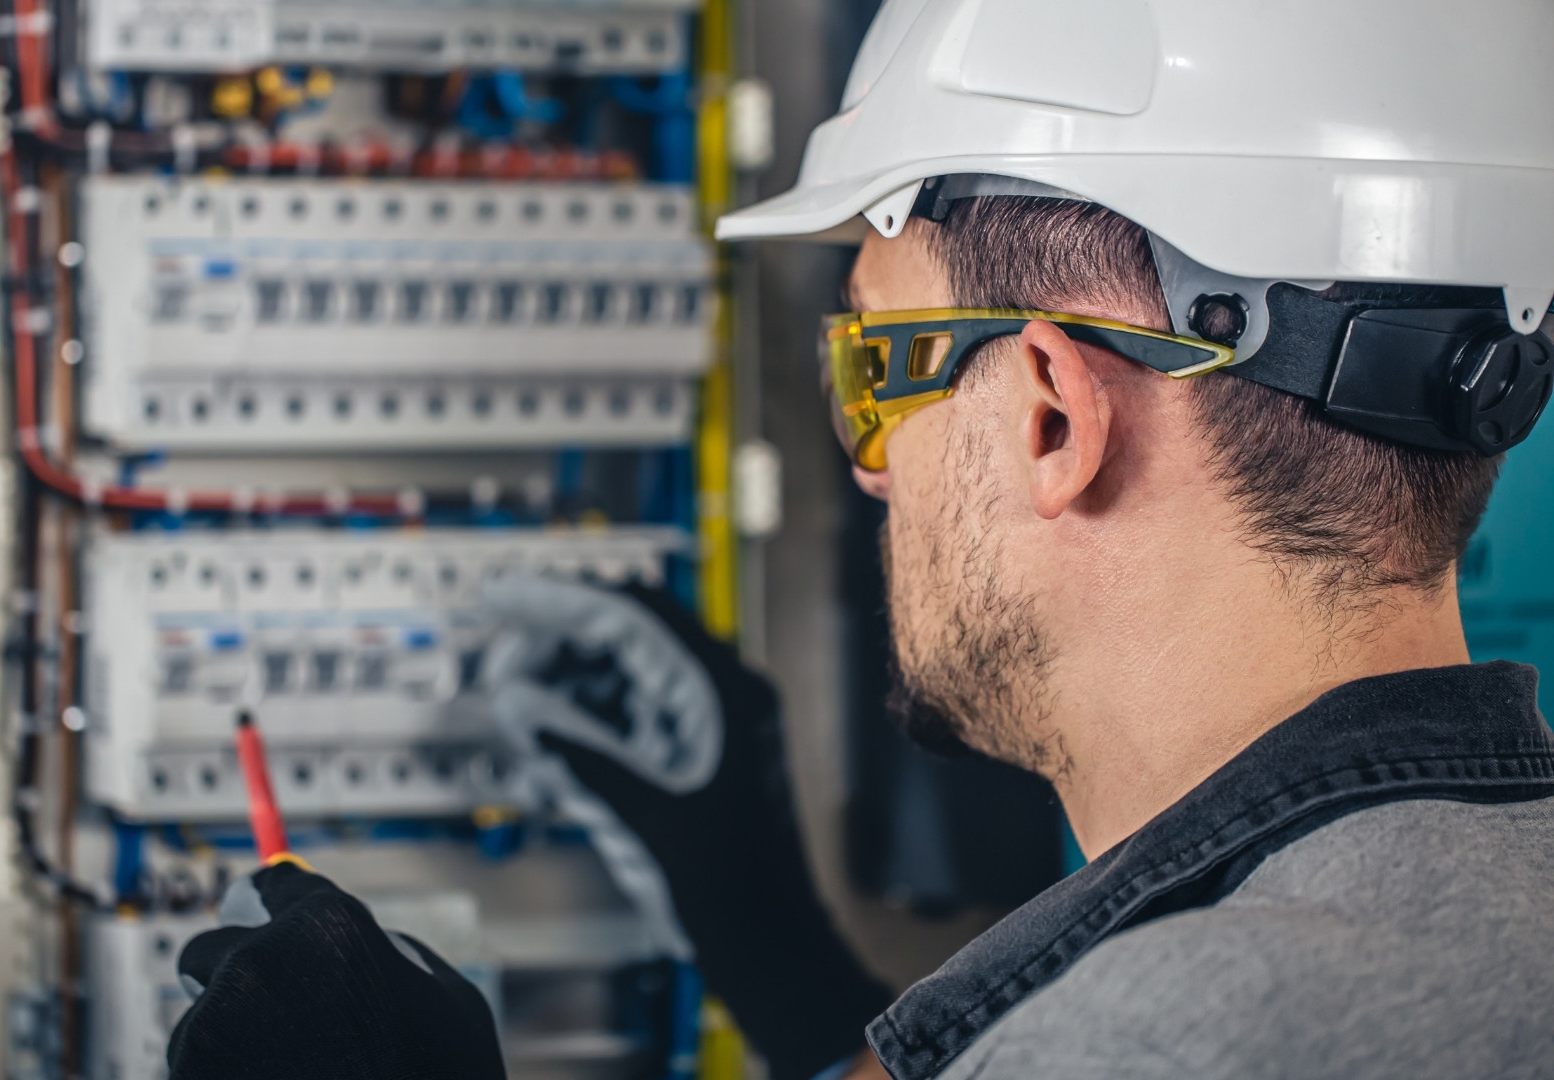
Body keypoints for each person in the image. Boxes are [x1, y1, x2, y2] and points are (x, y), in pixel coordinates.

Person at [162, 1, 1554, 1077]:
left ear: (1053, 416)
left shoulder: (1176, 1035)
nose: (872, 466)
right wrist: (757, 926)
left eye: (876, 373)